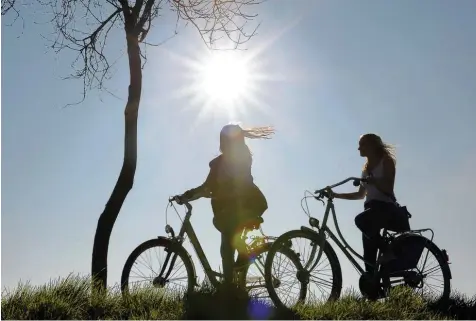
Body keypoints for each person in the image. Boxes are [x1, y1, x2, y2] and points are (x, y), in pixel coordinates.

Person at [176, 123, 273, 289]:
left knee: (228, 248)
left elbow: (219, 185)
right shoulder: (232, 160)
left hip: (240, 209)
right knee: (228, 248)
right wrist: (189, 195)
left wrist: (194, 194)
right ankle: (235, 284)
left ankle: (231, 285)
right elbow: (208, 187)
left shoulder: (239, 159)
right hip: (236, 209)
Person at [331, 133, 410, 274]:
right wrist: (336, 195)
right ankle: (373, 292)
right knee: (368, 256)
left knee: (360, 220)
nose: (358, 148)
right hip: (371, 211)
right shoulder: (365, 169)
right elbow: (360, 195)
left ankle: (388, 251)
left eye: (362, 144)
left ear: (372, 145)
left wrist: (374, 181)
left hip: (385, 208)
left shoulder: (386, 161)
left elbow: (388, 188)